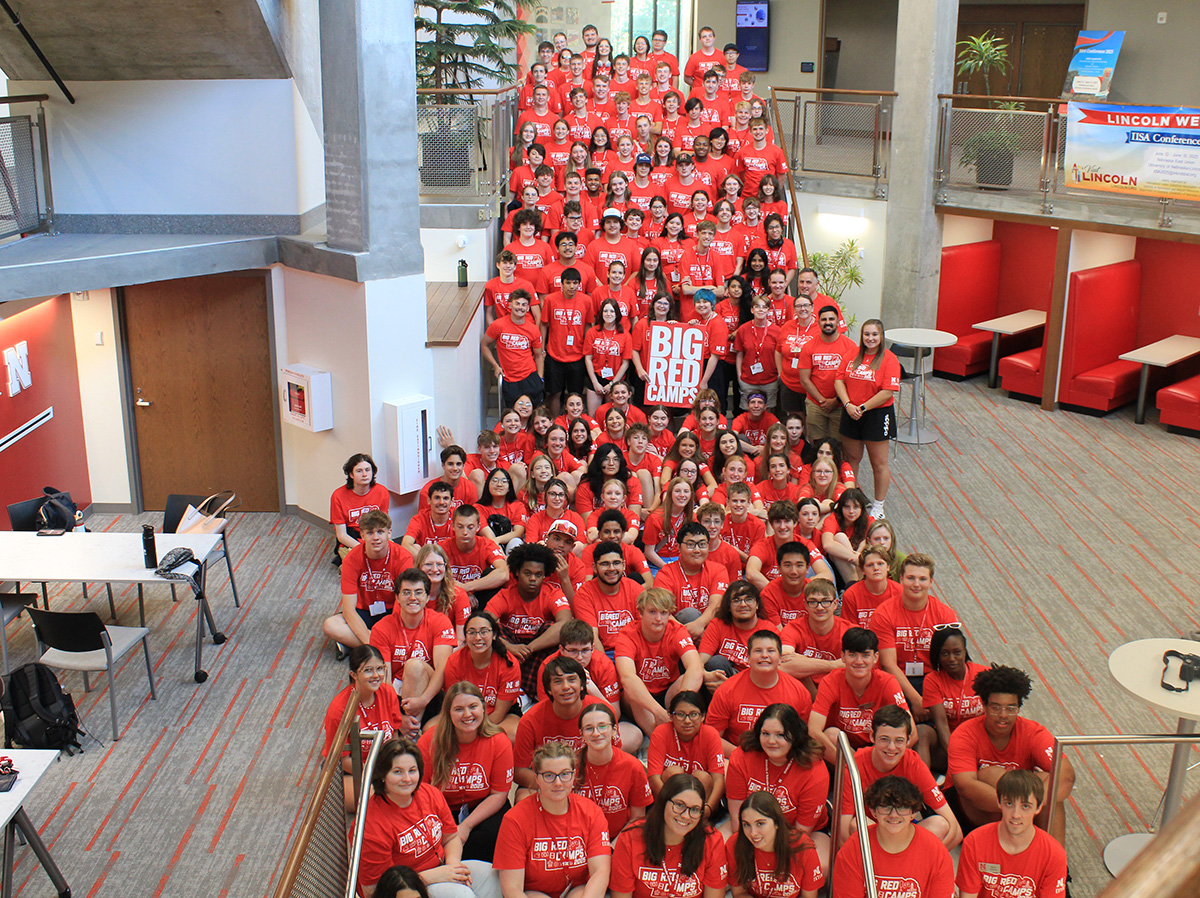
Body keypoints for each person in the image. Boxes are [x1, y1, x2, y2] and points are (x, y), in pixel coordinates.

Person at [949, 664, 1076, 846]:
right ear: (984, 706)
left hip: (1018, 810)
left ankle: (1056, 858)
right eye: (996, 708)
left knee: (1049, 781)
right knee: (995, 775)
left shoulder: (1033, 732)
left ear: (1019, 707)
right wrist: (1017, 806)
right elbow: (965, 786)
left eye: (1010, 708)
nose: (1003, 715)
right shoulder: (965, 734)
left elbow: (1066, 776)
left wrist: (1028, 806)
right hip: (971, 811)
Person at [358, 737, 498, 898]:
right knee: (461, 895)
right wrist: (432, 876)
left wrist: (453, 868)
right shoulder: (371, 825)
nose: (407, 779)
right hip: (409, 889)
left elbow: (451, 838)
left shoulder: (430, 793)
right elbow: (375, 890)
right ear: (382, 775)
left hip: (442, 868)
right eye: (397, 772)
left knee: (492, 876)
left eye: (412, 770)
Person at [495, 741, 611, 898]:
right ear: (536, 778)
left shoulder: (591, 812)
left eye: (564, 774)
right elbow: (512, 889)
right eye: (549, 776)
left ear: (574, 775)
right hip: (534, 893)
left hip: (577, 890)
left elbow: (600, 871)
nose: (558, 783)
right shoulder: (515, 820)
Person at [839, 705, 962, 850]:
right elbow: (843, 832)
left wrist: (930, 859)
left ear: (908, 740)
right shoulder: (854, 766)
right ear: (872, 736)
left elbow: (955, 829)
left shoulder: (914, 764)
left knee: (939, 824)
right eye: (884, 739)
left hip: (904, 833)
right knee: (857, 824)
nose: (891, 747)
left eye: (899, 740)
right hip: (872, 837)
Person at [725, 704, 831, 871]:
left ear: (795, 735)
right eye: (765, 733)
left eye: (780, 735)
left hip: (798, 832)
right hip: (749, 828)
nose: (771, 741)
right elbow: (736, 818)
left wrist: (768, 856)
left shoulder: (814, 770)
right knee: (720, 853)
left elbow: (801, 833)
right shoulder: (741, 756)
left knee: (819, 866)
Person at [419, 682, 514, 862]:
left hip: (482, 807)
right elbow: (421, 793)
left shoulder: (499, 741)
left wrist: (466, 826)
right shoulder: (429, 741)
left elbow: (499, 795)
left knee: (497, 834)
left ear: (483, 708)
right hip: (441, 809)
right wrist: (449, 827)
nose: (467, 714)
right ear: (448, 713)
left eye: (473, 707)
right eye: (459, 709)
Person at [831, 776, 954, 898]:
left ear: (913, 812)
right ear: (873, 811)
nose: (894, 815)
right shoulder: (853, 849)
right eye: (886, 807)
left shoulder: (936, 851)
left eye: (902, 807)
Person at [870, 553, 961, 717]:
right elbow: (888, 664)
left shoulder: (945, 615)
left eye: (923, 579)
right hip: (895, 680)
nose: (916, 584)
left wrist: (932, 699)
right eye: (911, 578)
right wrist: (916, 700)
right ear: (901, 579)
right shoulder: (883, 614)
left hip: (933, 678)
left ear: (931, 582)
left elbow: (952, 661)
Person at [369, 568, 456, 739]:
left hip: (431, 695)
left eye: (418, 592)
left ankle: (409, 737)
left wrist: (422, 700)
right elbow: (383, 679)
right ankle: (406, 734)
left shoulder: (440, 622)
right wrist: (398, 718)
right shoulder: (381, 628)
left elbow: (443, 671)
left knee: (414, 666)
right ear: (397, 597)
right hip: (395, 697)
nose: (412, 598)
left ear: (427, 597)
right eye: (406, 592)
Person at [610, 773, 727, 898]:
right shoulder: (631, 838)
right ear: (663, 802)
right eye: (679, 805)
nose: (686, 816)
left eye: (694, 809)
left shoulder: (712, 841)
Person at [956, 770, 1069, 898]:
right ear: (999, 803)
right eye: (1009, 804)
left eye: (1025, 806)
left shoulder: (1054, 854)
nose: (1016, 815)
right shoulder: (975, 842)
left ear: (1038, 807)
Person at [808, 627, 911, 763]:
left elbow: (911, 732)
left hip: (878, 749)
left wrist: (878, 760)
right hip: (844, 752)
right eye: (852, 655)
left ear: (875, 657)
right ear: (843, 657)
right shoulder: (830, 681)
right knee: (832, 735)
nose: (859, 661)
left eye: (865, 655)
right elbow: (813, 730)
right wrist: (855, 766)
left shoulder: (887, 682)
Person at [615, 587, 705, 737]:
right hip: (640, 698)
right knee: (632, 689)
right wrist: (659, 712)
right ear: (641, 612)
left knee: (690, 676)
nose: (658, 618)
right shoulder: (627, 635)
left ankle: (677, 727)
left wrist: (681, 705)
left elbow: (695, 667)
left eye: (663, 613)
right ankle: (658, 737)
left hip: (667, 691)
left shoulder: (677, 630)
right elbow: (627, 677)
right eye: (652, 612)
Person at [486, 542, 573, 699]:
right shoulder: (505, 595)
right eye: (527, 573)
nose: (533, 579)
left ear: (544, 575)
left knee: (551, 627)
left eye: (538, 574)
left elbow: (565, 624)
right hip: (511, 650)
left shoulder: (552, 594)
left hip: (538, 649)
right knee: (495, 630)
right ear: (517, 572)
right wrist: (510, 647)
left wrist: (530, 648)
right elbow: (483, 624)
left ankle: (534, 692)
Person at [706, 630, 813, 754]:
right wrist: (743, 758)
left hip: (783, 758)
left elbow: (802, 738)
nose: (764, 655)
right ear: (748, 658)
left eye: (771, 651)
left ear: (780, 658)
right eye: (758, 651)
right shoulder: (727, 690)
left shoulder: (799, 692)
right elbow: (713, 738)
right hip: (739, 756)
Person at [834, 319, 900, 519]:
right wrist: (848, 405)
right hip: (851, 411)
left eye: (874, 334)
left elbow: (887, 391)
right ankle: (851, 501)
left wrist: (862, 408)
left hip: (876, 414)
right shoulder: (851, 354)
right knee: (851, 459)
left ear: (881, 337)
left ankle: (878, 506)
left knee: (878, 463)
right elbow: (839, 380)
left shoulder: (889, 359)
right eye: (867, 334)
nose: (870, 338)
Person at [323, 645, 402, 809]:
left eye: (379, 668)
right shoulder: (339, 710)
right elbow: (342, 760)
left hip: (383, 766)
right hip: (350, 771)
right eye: (368, 670)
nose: (376, 675)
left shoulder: (388, 693)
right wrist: (379, 774)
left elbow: (394, 736)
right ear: (354, 675)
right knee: (379, 801)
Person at [324, 510, 416, 651]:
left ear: (389, 533)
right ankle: (382, 647)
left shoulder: (403, 557)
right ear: (362, 535)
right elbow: (349, 610)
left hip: (393, 611)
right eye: (370, 533)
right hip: (364, 611)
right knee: (331, 625)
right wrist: (370, 640)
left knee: (414, 621)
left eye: (380, 532)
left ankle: (355, 645)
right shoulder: (351, 559)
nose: (375, 538)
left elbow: (404, 601)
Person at [575, 701, 654, 836]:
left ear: (614, 730)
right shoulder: (570, 765)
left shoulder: (632, 766)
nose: (596, 733)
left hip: (619, 840)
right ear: (581, 734)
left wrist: (612, 846)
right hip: (579, 839)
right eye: (589, 728)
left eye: (602, 726)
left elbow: (637, 819)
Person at [442, 609, 522, 740]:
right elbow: (454, 703)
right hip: (463, 713)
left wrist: (476, 730)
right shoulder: (454, 661)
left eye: (484, 632)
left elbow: (499, 712)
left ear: (494, 635)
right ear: (465, 636)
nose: (478, 638)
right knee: (431, 731)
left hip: (500, 715)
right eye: (472, 632)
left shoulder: (509, 664)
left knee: (512, 734)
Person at [728, 791, 825, 898]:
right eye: (746, 825)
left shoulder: (803, 848)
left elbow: (808, 897)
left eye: (760, 823)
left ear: (777, 823)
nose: (753, 833)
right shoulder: (735, 844)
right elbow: (739, 893)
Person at [919, 626, 988, 771]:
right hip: (948, 743)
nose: (952, 659)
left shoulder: (984, 674)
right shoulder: (932, 680)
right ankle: (922, 781)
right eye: (945, 653)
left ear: (965, 652)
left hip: (979, 741)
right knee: (922, 731)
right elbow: (942, 724)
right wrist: (959, 758)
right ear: (937, 655)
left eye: (957, 652)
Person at [647, 691, 727, 814]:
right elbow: (654, 777)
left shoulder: (710, 734)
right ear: (671, 716)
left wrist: (709, 808)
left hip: (701, 803)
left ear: (703, 716)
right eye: (680, 714)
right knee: (673, 772)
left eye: (694, 714)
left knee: (703, 777)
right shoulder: (661, 732)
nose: (687, 721)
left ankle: (701, 820)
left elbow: (718, 780)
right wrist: (673, 806)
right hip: (669, 802)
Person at [653, 521, 731, 639]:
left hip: (709, 631)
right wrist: (685, 633)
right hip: (677, 633)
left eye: (702, 544)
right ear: (678, 547)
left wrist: (699, 626)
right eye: (690, 544)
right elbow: (662, 611)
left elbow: (717, 604)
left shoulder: (718, 570)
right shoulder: (666, 574)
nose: (697, 550)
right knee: (690, 614)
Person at [796, 305, 857, 441]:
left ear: (838, 321)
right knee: (816, 443)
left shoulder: (850, 347)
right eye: (824, 320)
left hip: (841, 404)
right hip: (815, 404)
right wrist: (822, 401)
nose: (828, 322)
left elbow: (853, 380)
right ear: (818, 323)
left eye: (831, 319)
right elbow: (805, 380)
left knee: (839, 443)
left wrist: (836, 401)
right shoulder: (809, 346)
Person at [572, 540, 645, 653]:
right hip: (603, 653)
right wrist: (607, 664)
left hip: (634, 652)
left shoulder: (635, 589)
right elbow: (592, 638)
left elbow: (647, 630)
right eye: (605, 564)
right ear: (595, 568)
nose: (611, 568)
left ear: (623, 565)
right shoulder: (584, 595)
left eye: (616, 563)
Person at [697, 579, 773, 687]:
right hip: (721, 678)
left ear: (757, 605)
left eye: (749, 599)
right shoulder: (717, 625)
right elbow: (700, 662)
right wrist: (707, 676)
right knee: (715, 663)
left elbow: (774, 668)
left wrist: (733, 687)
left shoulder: (768, 631)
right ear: (728, 606)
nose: (743, 605)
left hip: (753, 682)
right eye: (736, 600)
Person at [779, 579, 852, 687]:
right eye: (813, 602)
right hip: (805, 689)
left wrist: (802, 661)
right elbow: (783, 664)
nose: (820, 607)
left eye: (825, 601)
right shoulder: (794, 628)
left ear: (835, 604)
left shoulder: (849, 631)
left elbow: (856, 664)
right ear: (805, 605)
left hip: (840, 688)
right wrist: (833, 665)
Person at [483, 289, 545, 409]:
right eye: (517, 303)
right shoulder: (498, 325)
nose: (520, 307)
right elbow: (484, 345)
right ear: (510, 305)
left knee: (534, 413)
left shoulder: (533, 329)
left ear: (528, 308)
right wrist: (495, 365)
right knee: (513, 414)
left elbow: (538, 355)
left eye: (524, 305)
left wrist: (540, 378)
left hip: (529, 376)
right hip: (509, 378)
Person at [438, 504, 509, 609]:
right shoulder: (442, 547)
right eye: (460, 527)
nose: (465, 532)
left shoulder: (487, 544)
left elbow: (504, 574)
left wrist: (467, 587)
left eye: (470, 527)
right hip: (452, 598)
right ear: (452, 526)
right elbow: (431, 575)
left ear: (478, 527)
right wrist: (462, 593)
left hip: (479, 598)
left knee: (490, 573)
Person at [332, 453, 393, 561]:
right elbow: (341, 535)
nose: (364, 474)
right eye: (359, 471)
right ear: (351, 474)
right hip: (352, 537)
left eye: (367, 470)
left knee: (394, 557)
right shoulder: (338, 496)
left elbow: (384, 525)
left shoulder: (382, 492)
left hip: (375, 534)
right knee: (360, 563)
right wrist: (364, 549)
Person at [734, 296, 781, 409]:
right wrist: (739, 376)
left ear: (768, 311)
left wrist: (779, 375)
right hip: (747, 380)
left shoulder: (777, 331)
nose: (761, 310)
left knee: (768, 414)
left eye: (764, 307)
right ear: (752, 310)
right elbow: (739, 354)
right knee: (749, 413)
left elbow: (780, 355)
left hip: (770, 381)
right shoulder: (743, 329)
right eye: (757, 306)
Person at [838, 545, 900, 629]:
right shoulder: (851, 595)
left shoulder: (900, 593)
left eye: (880, 564)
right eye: (870, 565)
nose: (876, 568)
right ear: (863, 570)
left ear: (888, 567)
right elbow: (850, 630)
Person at [819, 488, 872, 585]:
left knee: (868, 541)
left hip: (861, 567)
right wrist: (854, 557)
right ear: (841, 507)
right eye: (847, 507)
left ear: (862, 509)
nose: (851, 511)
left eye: (856, 507)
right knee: (840, 537)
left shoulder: (868, 521)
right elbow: (827, 545)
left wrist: (859, 554)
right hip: (836, 565)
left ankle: (859, 585)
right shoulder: (832, 519)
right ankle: (856, 586)